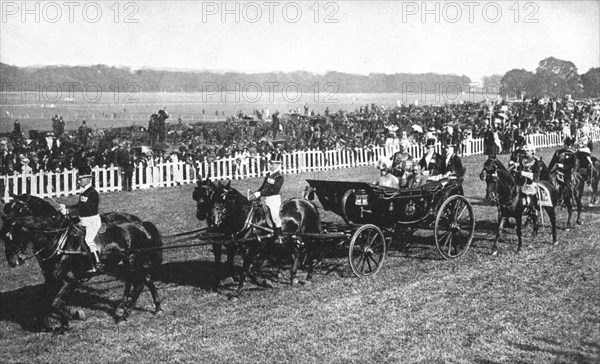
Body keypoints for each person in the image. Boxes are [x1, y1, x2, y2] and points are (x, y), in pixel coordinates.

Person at [59, 174, 102, 273]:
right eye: (79, 179)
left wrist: (69, 211)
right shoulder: (84, 192)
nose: (79, 181)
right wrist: (66, 207)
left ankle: (97, 263)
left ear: (88, 179)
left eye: (81, 179)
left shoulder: (92, 193)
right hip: (83, 220)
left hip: (92, 221)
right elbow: (79, 206)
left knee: (88, 239)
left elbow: (87, 209)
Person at [253, 154, 284, 244]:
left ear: (277, 165)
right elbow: (263, 186)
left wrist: (260, 193)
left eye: (272, 164)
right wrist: (256, 193)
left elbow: (274, 191)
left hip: (274, 199)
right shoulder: (268, 175)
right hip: (266, 198)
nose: (270, 165)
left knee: (275, 217)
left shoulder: (279, 177)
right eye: (270, 163)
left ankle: (279, 236)